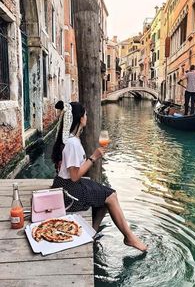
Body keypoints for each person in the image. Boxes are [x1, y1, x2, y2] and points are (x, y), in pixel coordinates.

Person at [51, 100, 147, 252]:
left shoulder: (69, 139)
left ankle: (93, 233)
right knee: (111, 196)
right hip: (69, 192)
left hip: (64, 185)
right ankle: (129, 237)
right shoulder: (73, 144)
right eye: (86, 114)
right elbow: (75, 176)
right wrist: (93, 157)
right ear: (80, 118)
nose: (87, 117)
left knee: (106, 193)